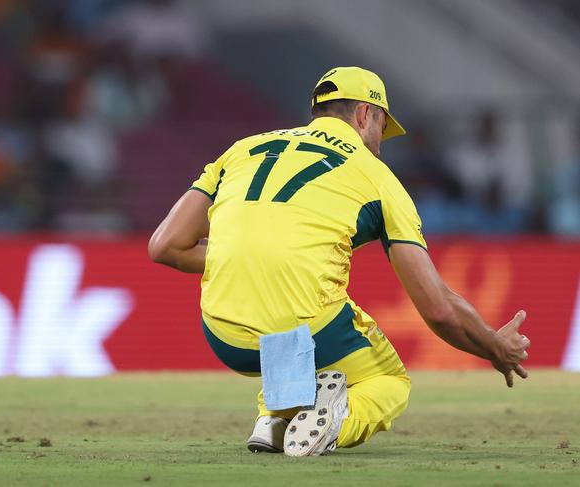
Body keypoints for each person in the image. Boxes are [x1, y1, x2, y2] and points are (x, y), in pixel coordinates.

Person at [148, 67, 531, 457]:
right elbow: (438, 309)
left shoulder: (243, 149)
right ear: (365, 115)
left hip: (222, 336)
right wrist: (494, 346)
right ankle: (332, 424)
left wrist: (240, 253)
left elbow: (164, 246)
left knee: (288, 322)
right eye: (382, 127)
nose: (380, 144)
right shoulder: (378, 178)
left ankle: (277, 417)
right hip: (301, 328)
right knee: (389, 380)